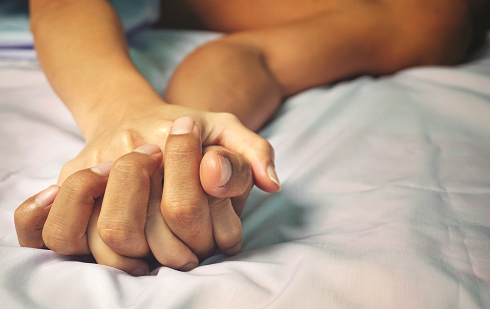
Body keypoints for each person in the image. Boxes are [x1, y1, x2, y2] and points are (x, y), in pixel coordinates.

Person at [15, 0, 490, 275]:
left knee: (437, 17)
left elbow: (244, 58)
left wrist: (189, 148)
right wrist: (120, 112)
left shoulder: (430, 18)